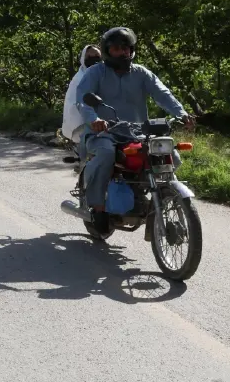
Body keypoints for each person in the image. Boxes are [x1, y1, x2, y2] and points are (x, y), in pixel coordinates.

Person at [75, 27, 193, 232]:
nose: (122, 53)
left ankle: (161, 192)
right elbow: (83, 100)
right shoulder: (96, 72)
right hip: (103, 132)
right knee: (105, 154)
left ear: (132, 50)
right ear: (107, 51)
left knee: (169, 153)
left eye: (126, 48)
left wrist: (181, 113)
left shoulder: (141, 73)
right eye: (116, 49)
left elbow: (162, 93)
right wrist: (94, 119)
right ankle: (99, 207)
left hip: (136, 132)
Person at [61, 44, 103, 151]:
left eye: (97, 56)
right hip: (83, 121)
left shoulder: (105, 75)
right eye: (89, 57)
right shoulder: (80, 78)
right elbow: (81, 102)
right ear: (83, 59)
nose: (94, 59)